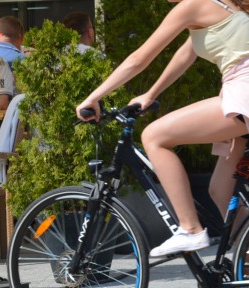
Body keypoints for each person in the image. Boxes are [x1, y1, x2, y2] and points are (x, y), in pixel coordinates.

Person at [78, 0, 249, 257]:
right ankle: (245, 269)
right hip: (239, 95)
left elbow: (139, 59)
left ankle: (190, 229)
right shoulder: (222, 5)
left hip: (242, 93)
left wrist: (94, 97)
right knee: (219, 189)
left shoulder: (192, 5)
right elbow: (185, 54)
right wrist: (151, 93)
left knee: (154, 136)